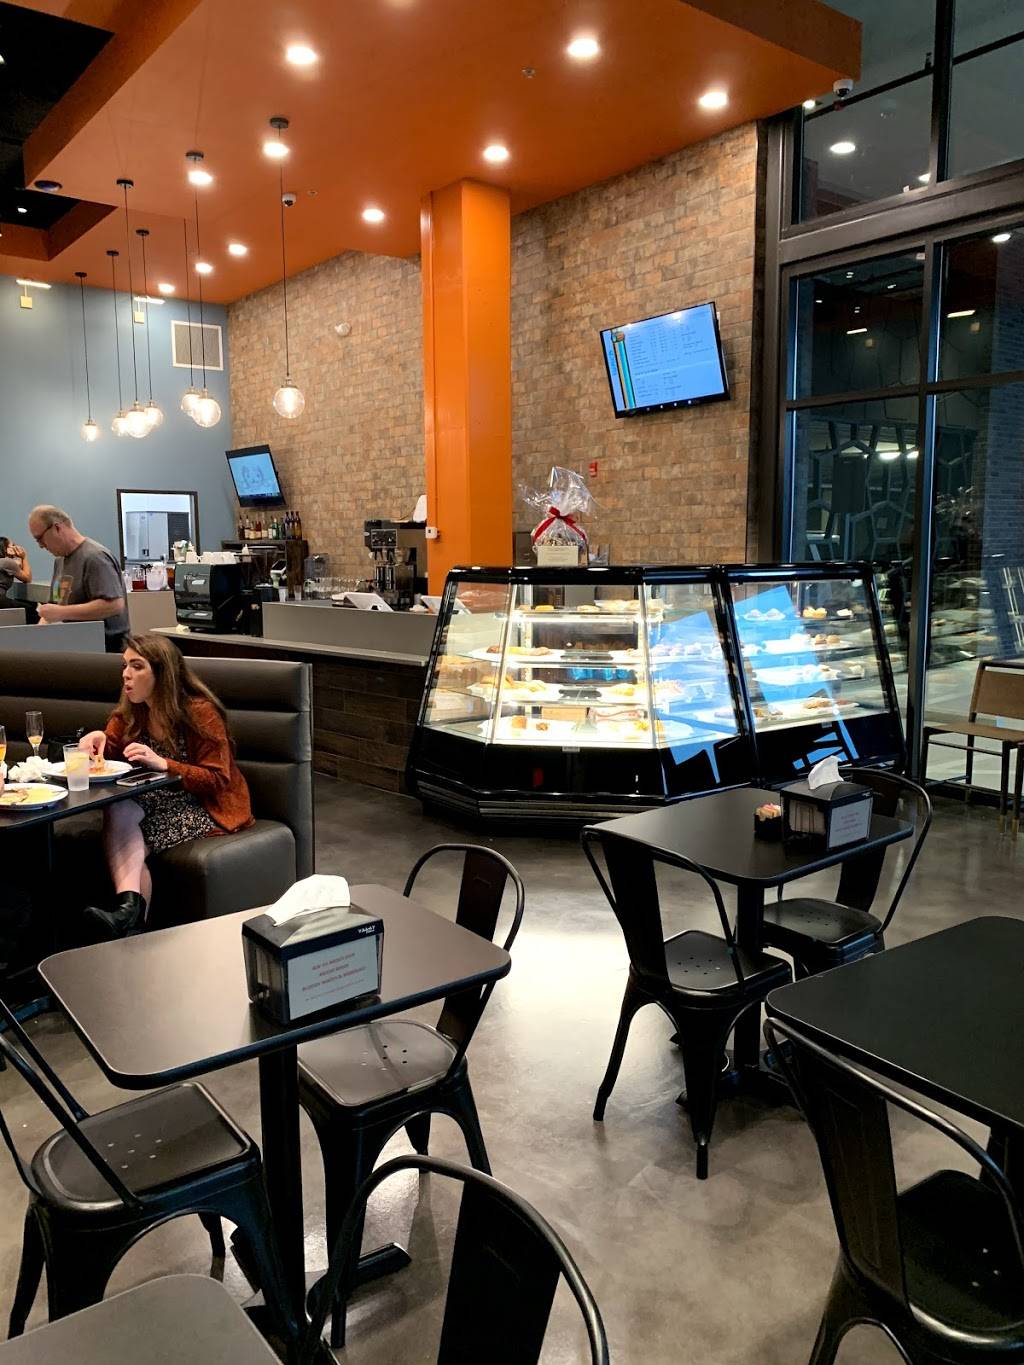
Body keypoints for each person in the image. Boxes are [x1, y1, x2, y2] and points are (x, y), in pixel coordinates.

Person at [78, 633, 254, 936]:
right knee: (117, 808)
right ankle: (130, 913)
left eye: (137, 666)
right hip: (156, 799)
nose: (126, 674)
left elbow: (217, 779)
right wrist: (99, 739)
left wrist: (164, 764)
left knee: (131, 829)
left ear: (163, 673)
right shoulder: (133, 710)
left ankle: (131, 922)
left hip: (204, 805)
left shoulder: (200, 712)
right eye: (124, 666)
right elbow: (113, 749)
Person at [27, 504, 130, 653]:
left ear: (57, 528)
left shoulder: (95, 557)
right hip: (75, 646)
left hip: (105, 650)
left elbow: (114, 605)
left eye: (40, 539)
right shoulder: (60, 561)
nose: (41, 546)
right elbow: (56, 602)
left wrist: (62, 612)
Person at [0, 535, 31, 604]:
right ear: (5, 548)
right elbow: (27, 578)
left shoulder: (5, 562)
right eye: (13, 545)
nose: (15, 547)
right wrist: (24, 557)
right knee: (32, 606)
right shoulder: (7, 562)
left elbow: (19, 567)